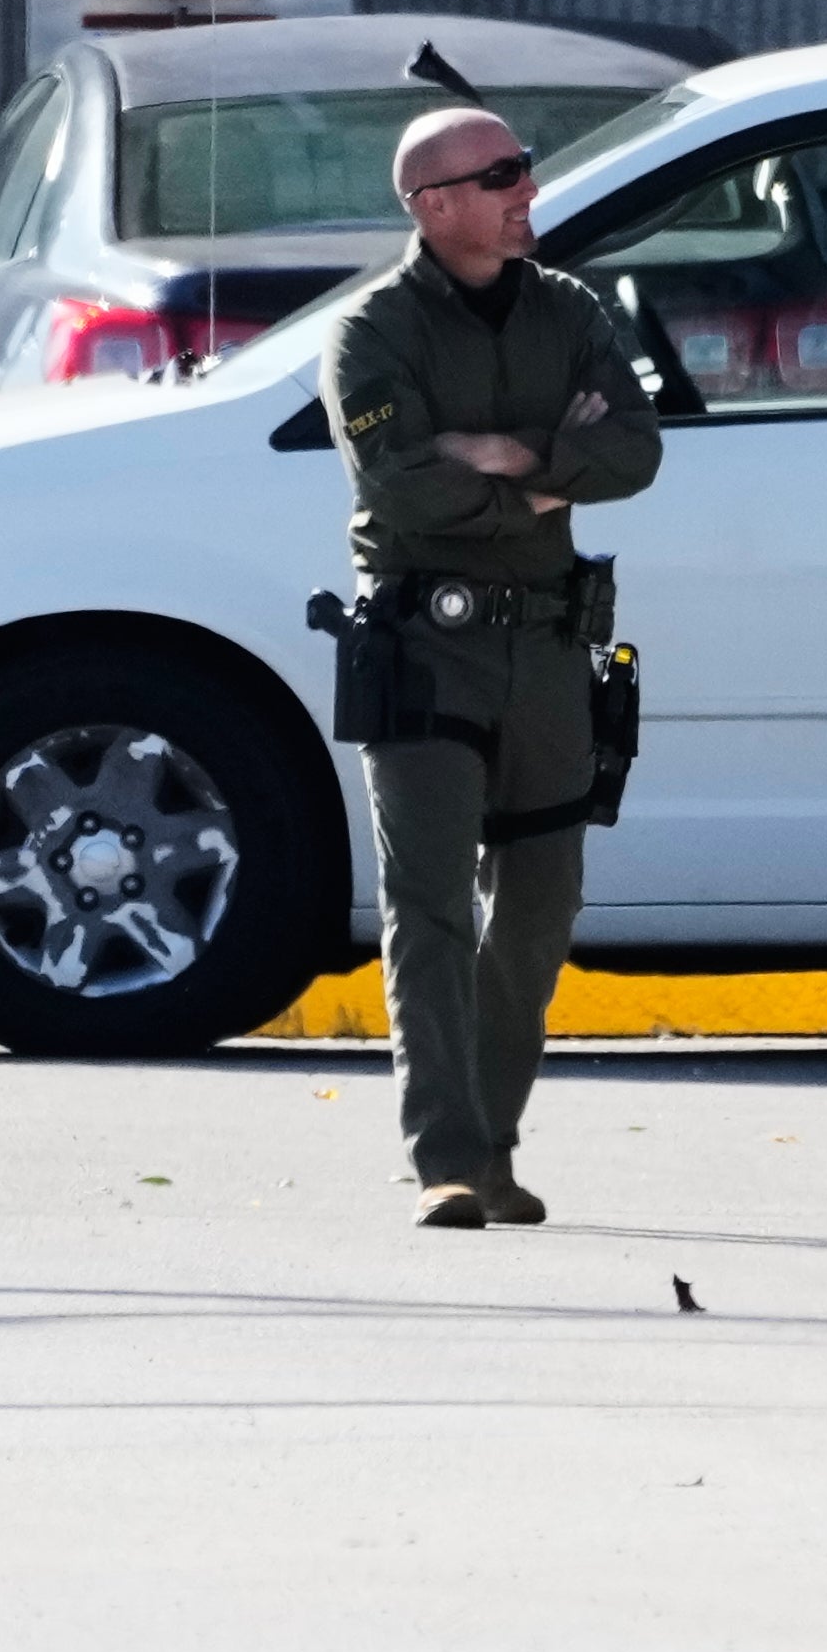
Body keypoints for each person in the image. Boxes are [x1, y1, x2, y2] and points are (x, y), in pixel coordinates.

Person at [320, 106, 662, 1229]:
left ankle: (495, 1141)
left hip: (548, 647)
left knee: (538, 900)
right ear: (432, 203)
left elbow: (637, 449)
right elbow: (401, 482)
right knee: (428, 908)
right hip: (423, 647)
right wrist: (553, 468)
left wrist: (513, 455)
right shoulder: (370, 330)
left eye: (523, 169)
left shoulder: (568, 309)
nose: (527, 189)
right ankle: (449, 1159)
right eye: (501, 174)